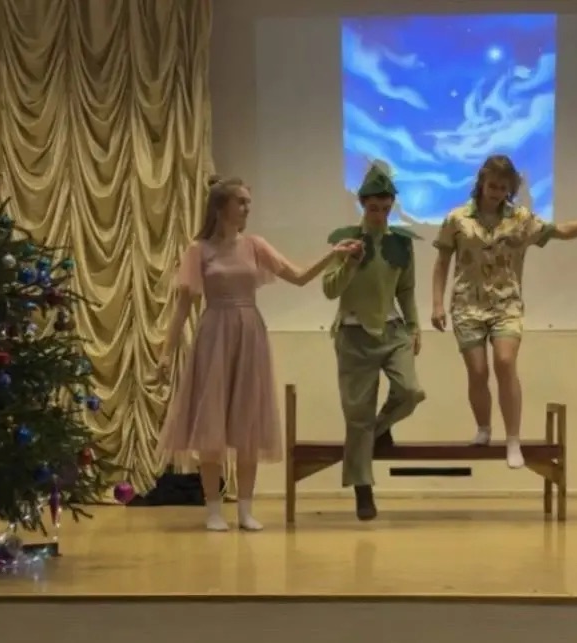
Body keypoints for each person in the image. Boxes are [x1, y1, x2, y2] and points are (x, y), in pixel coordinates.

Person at [157, 176, 362, 532]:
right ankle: (213, 510)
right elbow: (182, 308)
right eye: (241, 202)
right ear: (221, 206)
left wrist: (334, 255)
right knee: (211, 425)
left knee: (247, 424)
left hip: (250, 334)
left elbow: (299, 276)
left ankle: (246, 511)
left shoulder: (255, 245)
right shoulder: (198, 250)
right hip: (214, 335)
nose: (247, 208)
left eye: (248, 202)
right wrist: (165, 353)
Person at [431, 154, 577, 468]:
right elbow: (441, 263)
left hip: (506, 304)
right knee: (478, 371)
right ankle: (483, 427)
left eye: (503, 188)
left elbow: (560, 231)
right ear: (482, 183)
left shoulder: (520, 218)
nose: (497, 193)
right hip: (467, 305)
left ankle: (513, 439)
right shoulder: (457, 218)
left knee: (505, 362)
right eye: (492, 186)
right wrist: (437, 304)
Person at [323, 163, 425, 521]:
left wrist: (414, 326)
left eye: (385, 208)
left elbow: (406, 289)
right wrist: (349, 262)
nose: (379, 215)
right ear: (362, 204)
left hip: (392, 330)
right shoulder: (345, 239)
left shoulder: (401, 243)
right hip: (353, 333)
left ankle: (379, 430)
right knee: (357, 414)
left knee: (410, 391)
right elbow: (330, 289)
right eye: (373, 208)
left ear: (392, 206)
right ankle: (363, 489)